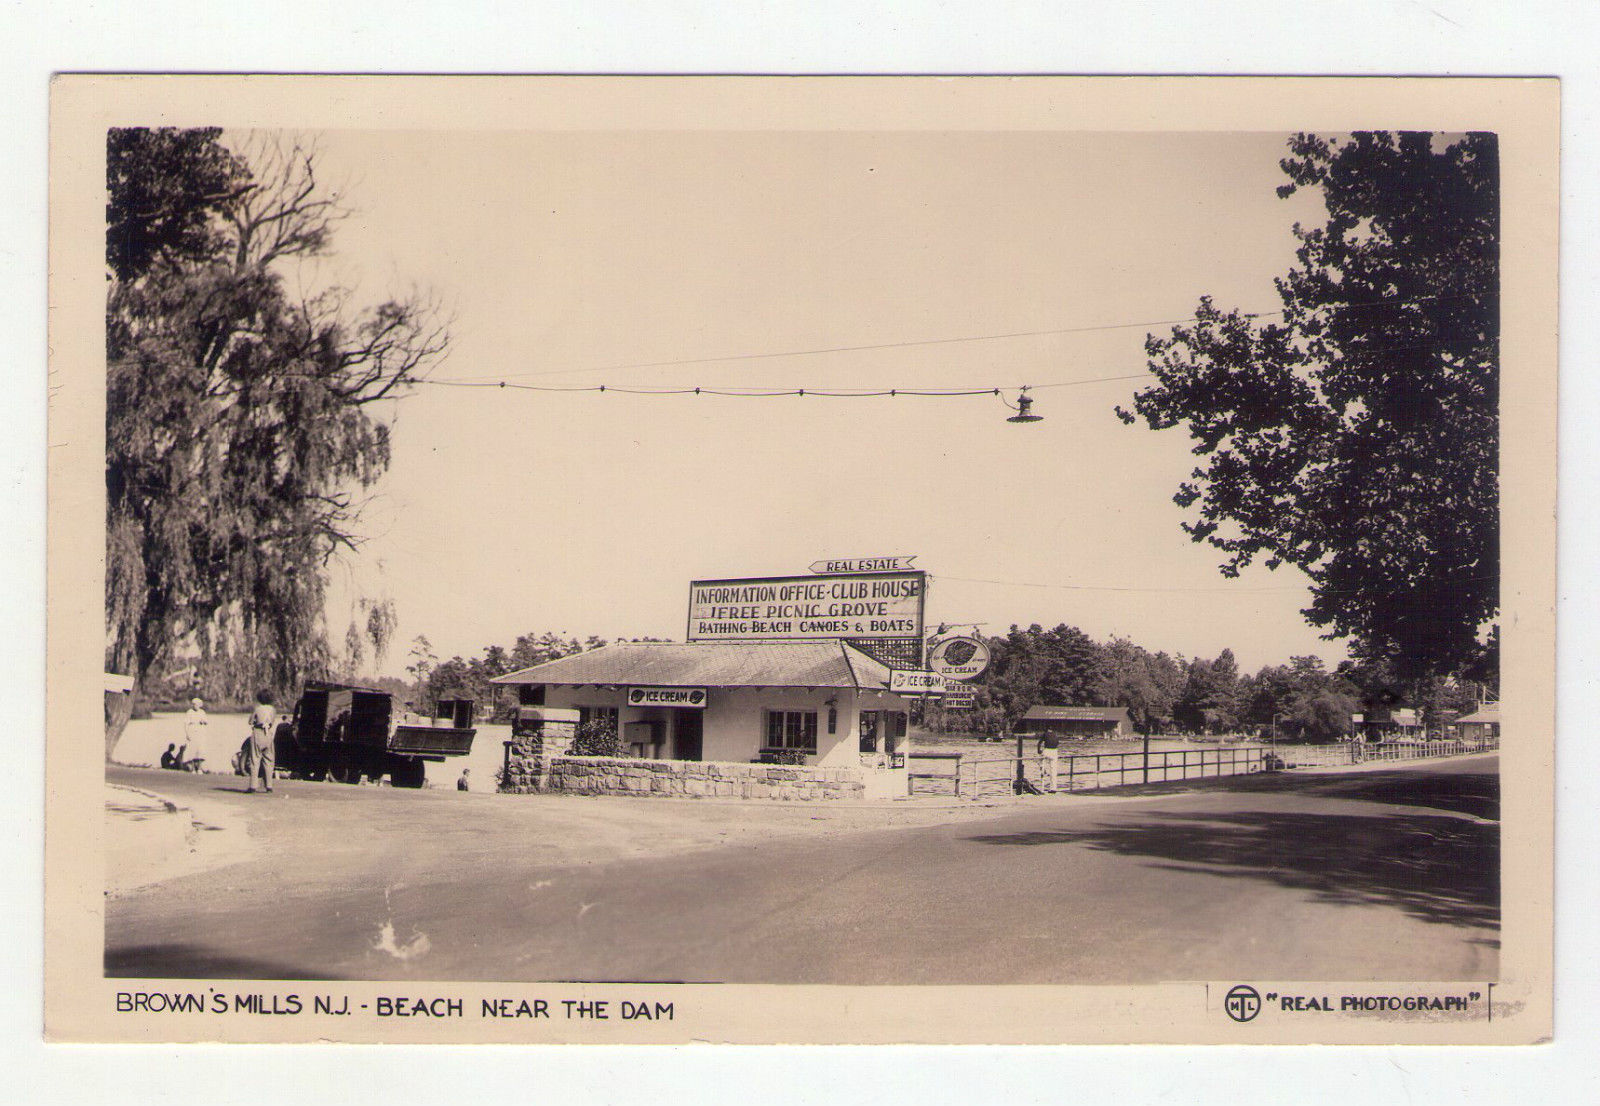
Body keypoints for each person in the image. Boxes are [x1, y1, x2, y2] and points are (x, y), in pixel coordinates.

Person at [243, 689, 277, 793]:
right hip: (269, 734)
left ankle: (253, 786)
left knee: (255, 759)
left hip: (258, 732)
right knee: (269, 760)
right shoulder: (273, 709)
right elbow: (272, 721)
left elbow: (250, 721)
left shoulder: (257, 709)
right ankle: (269, 785)